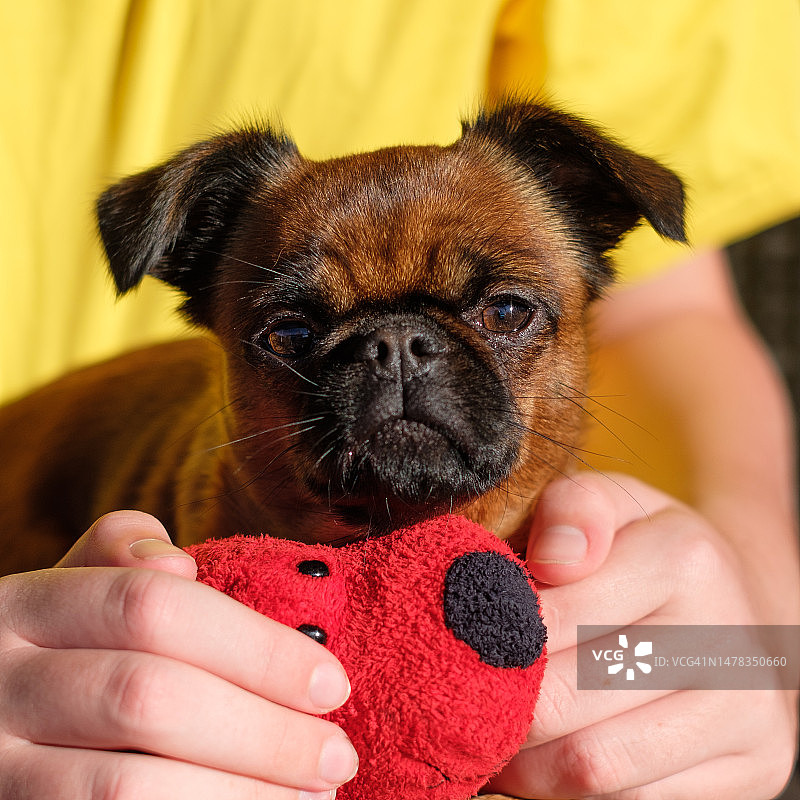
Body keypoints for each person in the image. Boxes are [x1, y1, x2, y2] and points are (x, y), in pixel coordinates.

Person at [1, 2, 798, 798]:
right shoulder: (174, 533)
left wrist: (744, 654)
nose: (399, 361)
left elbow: (672, 319)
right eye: (294, 338)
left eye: (505, 314)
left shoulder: (589, 590)